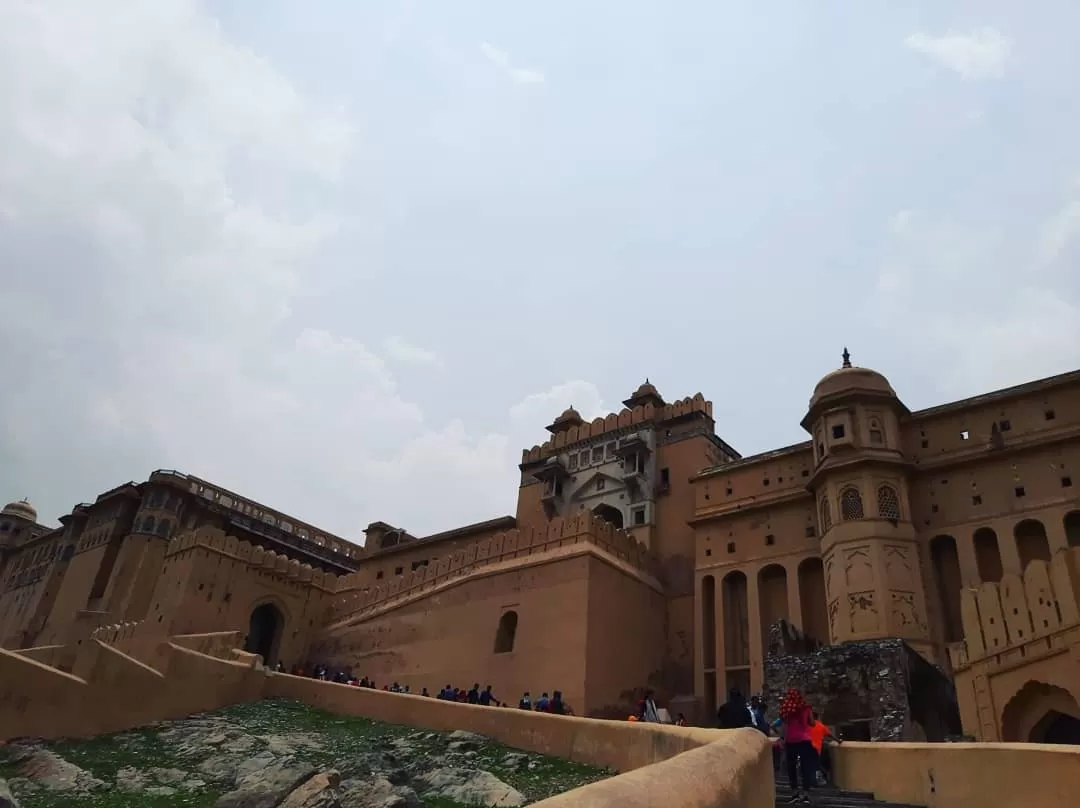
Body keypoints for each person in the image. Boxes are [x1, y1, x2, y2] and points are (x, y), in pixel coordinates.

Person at [779, 689, 816, 804]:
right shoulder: (806, 708)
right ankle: (806, 795)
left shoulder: (786, 708)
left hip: (791, 741)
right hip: (805, 740)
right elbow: (812, 723)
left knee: (791, 768)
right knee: (806, 768)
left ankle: (794, 793)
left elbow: (784, 725)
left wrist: (782, 739)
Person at [809, 712, 840, 785]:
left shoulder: (808, 725)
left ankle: (815, 779)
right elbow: (830, 735)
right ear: (818, 717)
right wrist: (838, 740)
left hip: (808, 747)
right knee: (815, 765)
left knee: (812, 765)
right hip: (817, 749)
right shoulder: (821, 726)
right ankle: (819, 778)